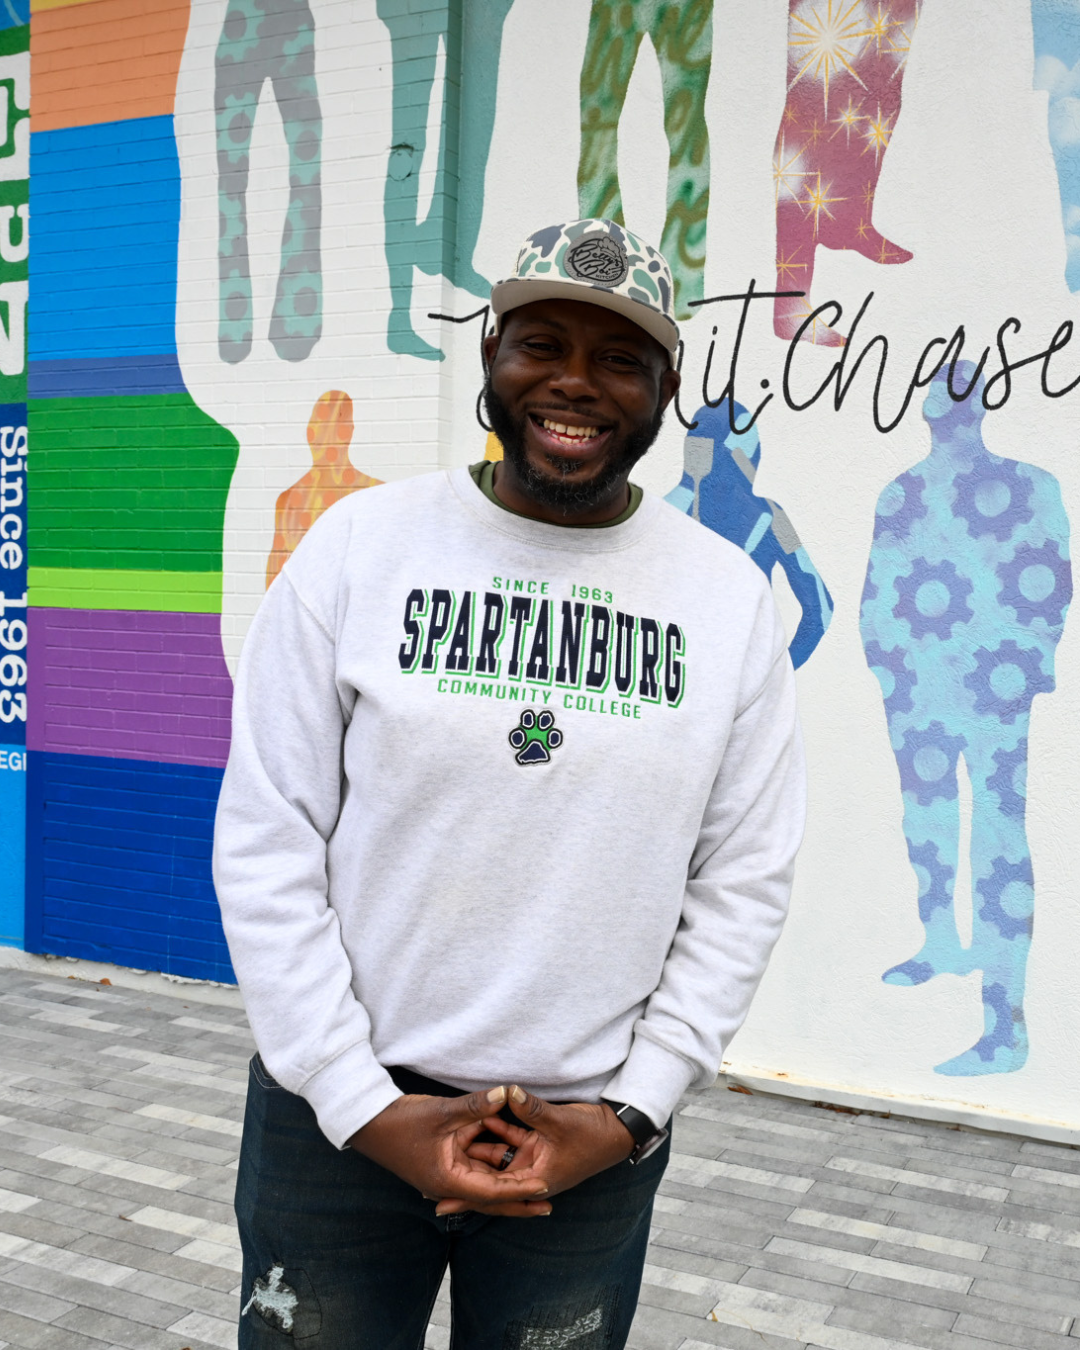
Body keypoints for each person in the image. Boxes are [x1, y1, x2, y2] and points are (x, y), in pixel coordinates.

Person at [213, 217, 805, 1347]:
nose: (574, 384)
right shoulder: (359, 547)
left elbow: (744, 878)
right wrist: (358, 1099)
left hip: (582, 1138)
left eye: (619, 358)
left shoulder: (723, 600)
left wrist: (632, 1111)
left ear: (666, 386)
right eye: (542, 343)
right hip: (339, 1124)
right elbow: (268, 836)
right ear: (491, 356)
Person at [860, 361, 1071, 1075]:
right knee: (929, 820)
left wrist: (1019, 674)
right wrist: (890, 671)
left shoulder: (1029, 486)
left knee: (999, 837)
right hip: (920, 692)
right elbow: (879, 590)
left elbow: (1050, 584)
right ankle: (941, 943)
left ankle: (1004, 1025)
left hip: (990, 693)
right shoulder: (903, 493)